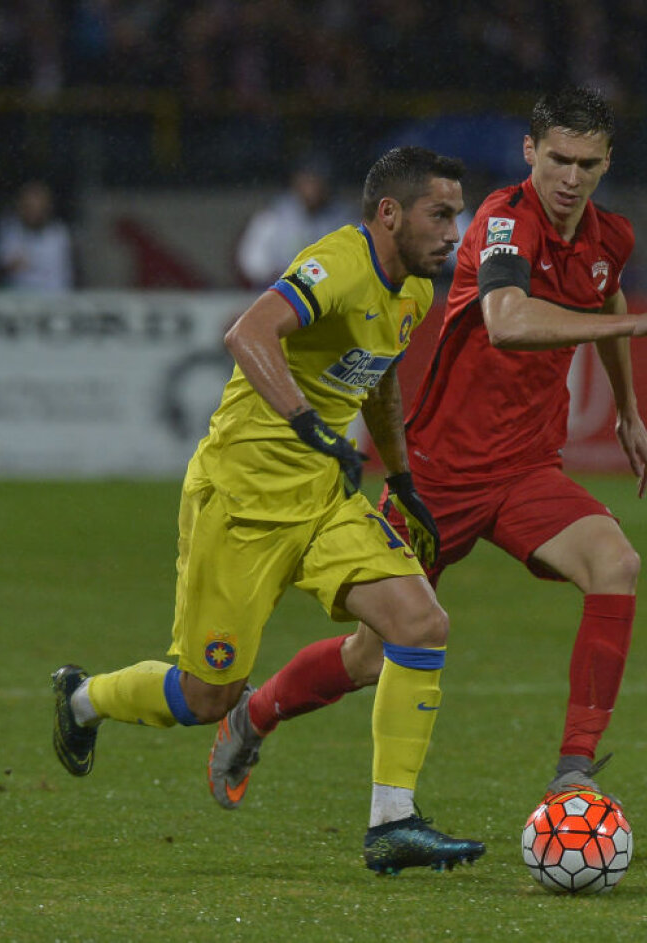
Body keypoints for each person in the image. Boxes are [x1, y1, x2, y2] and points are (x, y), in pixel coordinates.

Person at [207, 86, 647, 811]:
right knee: (369, 654)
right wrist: (638, 328)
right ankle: (253, 713)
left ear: (607, 163)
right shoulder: (501, 221)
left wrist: (628, 411)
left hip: (526, 469)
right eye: (558, 159)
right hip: (438, 473)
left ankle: (573, 770)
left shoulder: (611, 238)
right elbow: (508, 321)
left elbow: (604, 293)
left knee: (616, 563)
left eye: (588, 163)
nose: (571, 178)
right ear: (529, 153)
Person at [51, 145, 486, 875]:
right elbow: (248, 333)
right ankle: (84, 699)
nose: (455, 230)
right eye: (440, 213)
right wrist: (307, 423)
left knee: (420, 624)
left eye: (458, 213)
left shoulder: (412, 289)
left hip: (323, 498)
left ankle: (392, 822)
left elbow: (376, 382)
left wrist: (403, 476)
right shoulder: (339, 264)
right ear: (389, 213)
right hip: (242, 503)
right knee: (202, 693)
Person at [234, 155, 352, 288]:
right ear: (296, 181)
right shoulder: (274, 215)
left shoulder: (343, 218)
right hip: (280, 292)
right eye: (307, 180)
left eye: (318, 180)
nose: (313, 187)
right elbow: (252, 262)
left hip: (328, 294)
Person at [0, 179, 75, 291]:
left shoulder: (59, 233)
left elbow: (68, 270)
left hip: (55, 298)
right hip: (18, 300)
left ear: (47, 206)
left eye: (38, 205)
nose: (34, 211)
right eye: (28, 206)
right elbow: (2, 265)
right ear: (20, 206)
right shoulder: (10, 230)